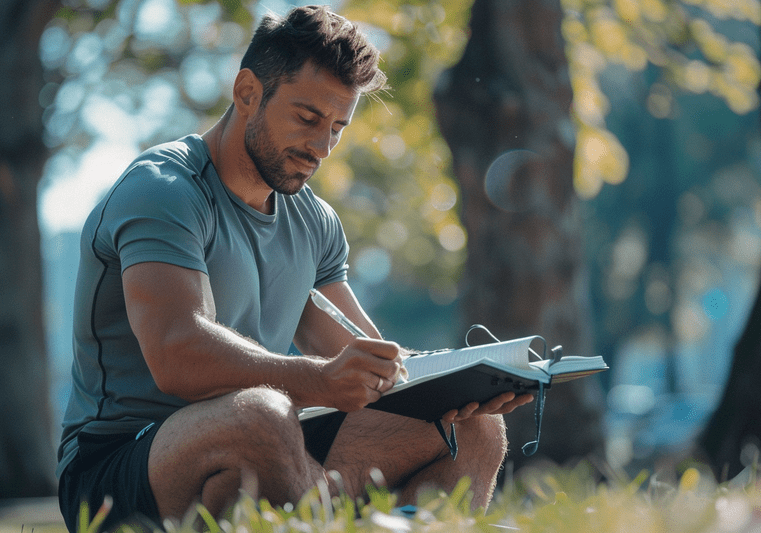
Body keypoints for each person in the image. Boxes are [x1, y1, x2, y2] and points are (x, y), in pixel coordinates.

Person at [56, 5, 533, 530]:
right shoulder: (163, 191)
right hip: (118, 466)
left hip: (264, 442)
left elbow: (361, 364)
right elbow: (177, 353)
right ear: (247, 92)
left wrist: (464, 386)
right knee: (260, 413)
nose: (322, 147)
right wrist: (316, 381)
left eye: (338, 127)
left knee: (474, 430)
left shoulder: (313, 222)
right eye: (308, 119)